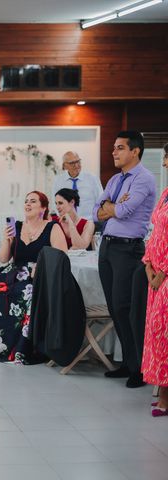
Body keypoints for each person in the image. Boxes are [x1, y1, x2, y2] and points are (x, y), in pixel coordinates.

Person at [0, 191, 67, 364]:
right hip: (16, 272)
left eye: (33, 201)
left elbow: (61, 256)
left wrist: (42, 268)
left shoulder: (52, 227)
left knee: (27, 291)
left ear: (43, 208)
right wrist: (7, 240)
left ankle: (23, 346)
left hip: (40, 275)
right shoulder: (18, 226)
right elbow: (3, 258)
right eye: (26, 201)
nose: (27, 204)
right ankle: (0, 343)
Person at [94, 130, 156, 388]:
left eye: (119, 148)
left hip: (128, 250)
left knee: (128, 309)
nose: (114, 152)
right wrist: (112, 207)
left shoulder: (144, 179)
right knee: (114, 307)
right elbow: (96, 213)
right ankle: (128, 363)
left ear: (135, 151)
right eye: (114, 148)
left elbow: (124, 210)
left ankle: (140, 369)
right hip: (107, 247)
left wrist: (113, 207)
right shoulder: (115, 180)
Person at [142, 143, 168, 416]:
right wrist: (149, 265)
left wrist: (163, 272)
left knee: (165, 335)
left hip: (167, 276)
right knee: (155, 333)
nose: (164, 163)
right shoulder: (165, 194)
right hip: (155, 274)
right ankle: (162, 390)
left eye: (167, 158)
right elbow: (155, 232)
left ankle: (165, 397)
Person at [51, 151, 103, 219]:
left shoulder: (92, 178)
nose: (76, 165)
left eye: (78, 161)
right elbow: (54, 203)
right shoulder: (58, 180)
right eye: (72, 163)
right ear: (64, 166)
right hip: (67, 221)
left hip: (89, 221)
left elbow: (101, 200)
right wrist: (63, 218)